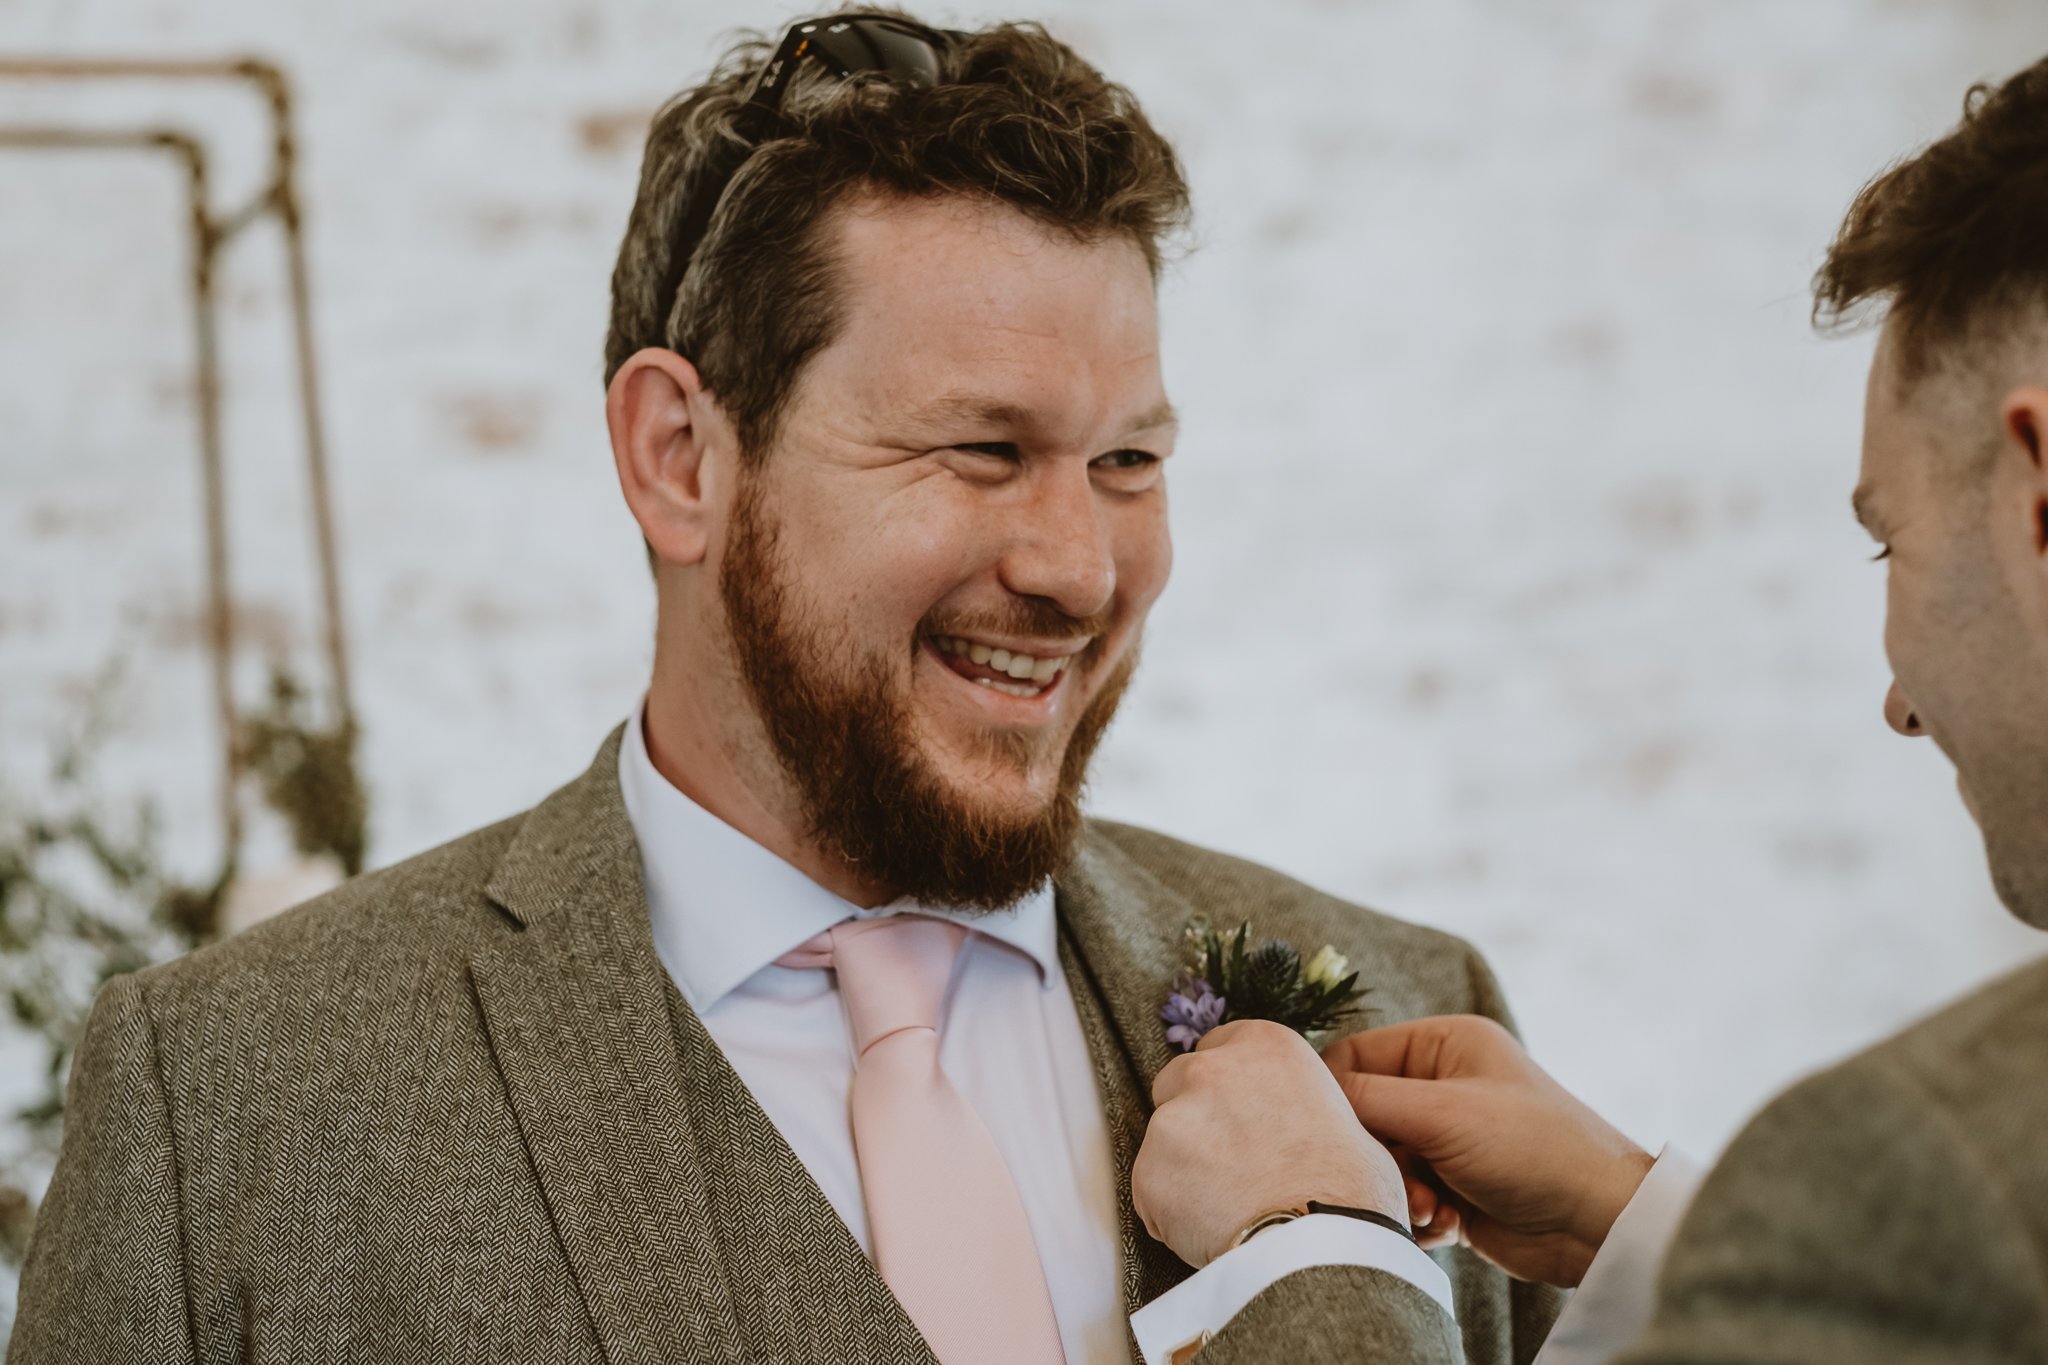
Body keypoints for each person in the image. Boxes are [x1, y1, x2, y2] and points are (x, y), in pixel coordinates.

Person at [6, 13, 1562, 1365]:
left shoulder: (1418, 1031)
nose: (1083, 568)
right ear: (680, 457)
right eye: (983, 448)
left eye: (1128, 461)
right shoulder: (226, 1106)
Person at [1130, 52, 2048, 1365]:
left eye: (1889, 542)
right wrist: (1635, 1225)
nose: (1898, 703)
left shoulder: (1932, 1155)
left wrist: (1309, 1247)